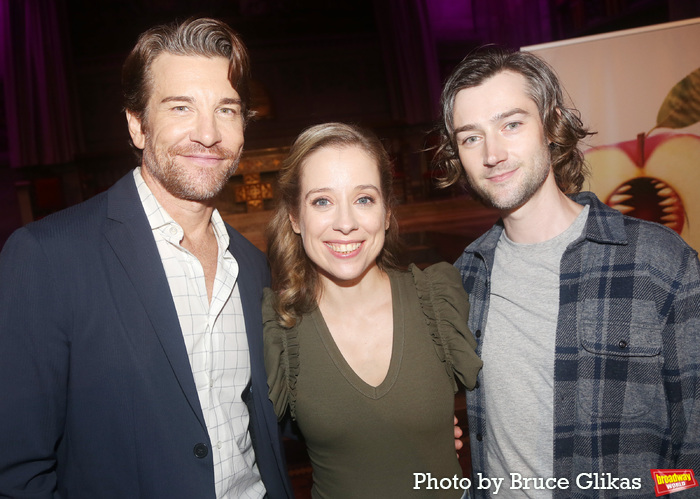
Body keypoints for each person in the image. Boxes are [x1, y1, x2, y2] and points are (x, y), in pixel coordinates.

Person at [0, 18, 292, 499]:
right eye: (181, 107)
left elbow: (261, 418)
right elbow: (18, 470)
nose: (208, 134)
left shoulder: (252, 265)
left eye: (227, 110)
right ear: (137, 124)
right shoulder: (47, 258)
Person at [435, 46, 700, 498]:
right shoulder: (465, 279)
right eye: (471, 137)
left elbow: (693, 455)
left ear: (551, 126)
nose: (492, 154)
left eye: (511, 124)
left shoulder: (659, 262)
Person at [263, 122, 483, 498]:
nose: (345, 223)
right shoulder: (279, 325)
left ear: (386, 212)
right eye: (322, 201)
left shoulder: (439, 300)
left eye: (364, 199)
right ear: (295, 218)